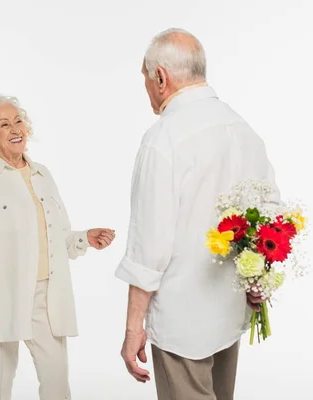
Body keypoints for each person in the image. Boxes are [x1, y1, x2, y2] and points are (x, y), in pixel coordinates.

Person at [116, 28, 280, 399]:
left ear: (161, 77)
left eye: (145, 76)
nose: (146, 86)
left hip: (183, 322)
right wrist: (258, 281)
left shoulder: (164, 139)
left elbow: (149, 248)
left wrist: (132, 329)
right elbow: (270, 218)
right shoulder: (243, 129)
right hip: (228, 310)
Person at [0, 93, 115, 400]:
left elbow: (61, 236)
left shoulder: (42, 174)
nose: (16, 128)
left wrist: (86, 238)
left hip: (46, 294)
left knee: (56, 381)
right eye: (4, 124)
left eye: (18, 120)